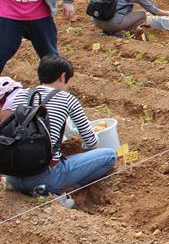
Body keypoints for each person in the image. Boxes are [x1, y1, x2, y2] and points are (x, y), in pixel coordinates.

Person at [3, 55, 117, 202]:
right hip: (46, 176)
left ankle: (28, 187)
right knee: (109, 156)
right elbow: (91, 141)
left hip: (12, 175)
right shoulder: (67, 99)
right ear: (63, 76)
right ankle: (60, 190)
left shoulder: (20, 96)